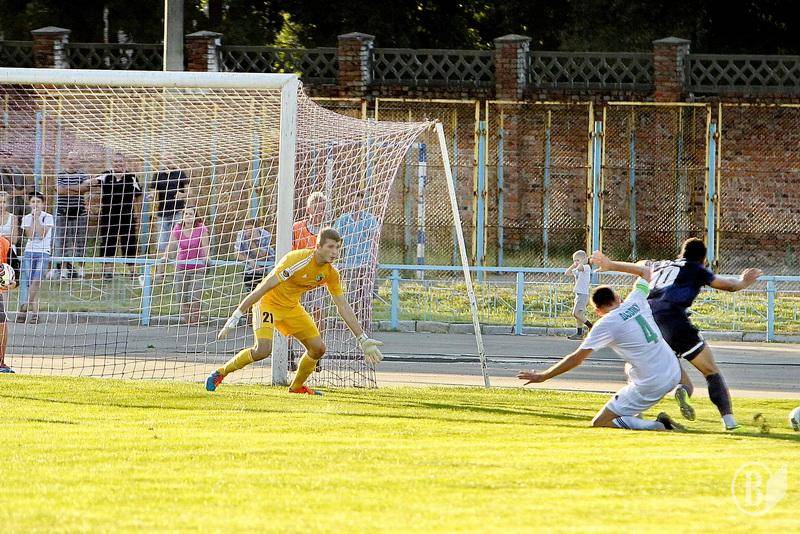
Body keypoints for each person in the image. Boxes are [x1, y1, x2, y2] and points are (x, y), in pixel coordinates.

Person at [590, 239, 762, 431]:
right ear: (703, 259)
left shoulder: (660, 264)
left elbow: (641, 266)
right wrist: (743, 281)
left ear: (681, 253)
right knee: (711, 371)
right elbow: (728, 285)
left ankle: (642, 411)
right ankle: (729, 422)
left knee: (640, 368)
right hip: (673, 319)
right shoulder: (696, 268)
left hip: (647, 321)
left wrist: (610, 264)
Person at [208, 227, 384, 395]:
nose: (335, 252)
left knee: (318, 349)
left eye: (338, 247)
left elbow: (342, 305)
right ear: (318, 246)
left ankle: (297, 387)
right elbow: (265, 286)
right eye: (330, 247)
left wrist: (362, 338)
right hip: (268, 304)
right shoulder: (297, 260)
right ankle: (221, 373)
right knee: (262, 350)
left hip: (292, 307)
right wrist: (237, 314)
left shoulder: (331, 273)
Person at [518, 275, 683, 431]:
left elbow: (576, 358)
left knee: (600, 422)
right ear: (617, 297)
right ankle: (636, 412)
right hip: (674, 372)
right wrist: (614, 265)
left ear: (598, 311)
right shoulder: (635, 299)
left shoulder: (606, 323)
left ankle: (658, 425)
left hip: (653, 382)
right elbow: (645, 273)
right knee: (629, 369)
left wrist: (544, 376)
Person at [89, 154, 143, 279]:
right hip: (108, 216)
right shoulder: (106, 175)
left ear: (125, 163)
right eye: (116, 161)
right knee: (108, 241)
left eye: (120, 161)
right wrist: (85, 183)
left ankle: (132, 271)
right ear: (112, 163)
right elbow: (90, 182)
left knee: (129, 242)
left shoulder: (131, 177)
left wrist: (138, 213)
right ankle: (107, 271)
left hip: (126, 215)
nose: (118, 163)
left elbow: (138, 195)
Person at [334, 190, 380, 321]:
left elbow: (375, 240)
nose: (356, 204)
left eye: (359, 201)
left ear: (363, 203)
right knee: (352, 295)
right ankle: (353, 322)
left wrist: (374, 260)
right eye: (354, 201)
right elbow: (335, 238)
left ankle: (365, 322)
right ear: (349, 202)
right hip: (350, 263)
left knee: (365, 296)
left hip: (366, 262)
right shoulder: (343, 220)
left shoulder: (370, 219)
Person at [161, 207, 209, 325]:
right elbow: (171, 244)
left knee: (196, 296)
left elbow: (205, 245)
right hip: (182, 266)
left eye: (190, 214)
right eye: (186, 214)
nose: (188, 216)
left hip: (198, 266)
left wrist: (207, 258)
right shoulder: (178, 228)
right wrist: (165, 256)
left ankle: (195, 322)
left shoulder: (201, 228)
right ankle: (187, 322)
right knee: (182, 296)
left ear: (195, 216)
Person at [17, 193, 54, 324]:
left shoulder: (48, 217)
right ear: (29, 204)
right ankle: (35, 314)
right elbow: (31, 236)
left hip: (43, 252)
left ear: (43, 204)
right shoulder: (26, 218)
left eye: (38, 201)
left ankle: (25, 307)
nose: (35, 204)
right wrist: (33, 218)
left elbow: (42, 234)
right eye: (33, 201)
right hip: (29, 252)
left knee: (36, 281)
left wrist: (37, 218)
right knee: (29, 282)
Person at [53, 152, 90, 279]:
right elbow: (60, 190)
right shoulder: (60, 174)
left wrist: (68, 188)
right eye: (70, 159)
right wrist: (77, 189)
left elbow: (85, 188)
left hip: (79, 213)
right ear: (66, 160)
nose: (72, 161)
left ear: (78, 161)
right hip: (62, 213)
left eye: (75, 159)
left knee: (80, 242)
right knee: (62, 242)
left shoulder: (83, 175)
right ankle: (63, 270)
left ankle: (81, 270)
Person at [151, 165, 188, 253]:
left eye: (171, 158)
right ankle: (162, 261)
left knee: (179, 241)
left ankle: (179, 260)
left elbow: (189, 192)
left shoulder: (180, 173)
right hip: (163, 212)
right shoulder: (158, 175)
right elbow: (153, 191)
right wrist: (152, 196)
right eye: (166, 158)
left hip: (178, 211)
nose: (169, 160)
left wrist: (182, 195)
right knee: (162, 243)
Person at [235, 219, 275, 292]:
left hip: (267, 264)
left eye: (250, 228)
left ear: (257, 228)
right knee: (250, 284)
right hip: (252, 265)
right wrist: (249, 260)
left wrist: (252, 241)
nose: (247, 231)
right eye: (245, 229)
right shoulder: (241, 234)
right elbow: (237, 254)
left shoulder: (265, 235)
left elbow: (262, 256)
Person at [565, 249, 593, 340]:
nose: (576, 262)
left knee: (576, 313)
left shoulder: (586, 267)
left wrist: (584, 261)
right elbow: (567, 273)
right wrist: (574, 264)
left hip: (583, 294)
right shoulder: (577, 269)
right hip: (578, 294)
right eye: (574, 260)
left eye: (577, 260)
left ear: (584, 259)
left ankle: (591, 327)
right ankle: (579, 333)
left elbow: (580, 267)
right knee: (579, 315)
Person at [0, 235, 17, 373]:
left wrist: (13, 283)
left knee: (2, 325)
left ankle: (0, 363)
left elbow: (15, 269)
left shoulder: (4, 243)